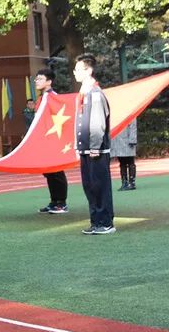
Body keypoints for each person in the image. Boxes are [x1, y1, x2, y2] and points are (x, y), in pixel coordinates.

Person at [74, 54, 115, 234]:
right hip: (86, 149)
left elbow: (97, 123)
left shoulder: (95, 94)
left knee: (100, 186)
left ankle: (105, 222)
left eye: (78, 69)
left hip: (95, 149)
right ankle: (95, 221)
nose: (74, 72)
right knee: (89, 186)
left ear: (88, 70)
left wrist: (95, 147)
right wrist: (78, 146)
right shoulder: (84, 93)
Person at [33, 69, 69, 214]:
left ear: (49, 81)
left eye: (40, 79)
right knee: (48, 171)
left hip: (53, 138)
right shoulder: (42, 98)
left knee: (56, 171)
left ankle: (62, 202)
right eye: (36, 79)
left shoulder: (53, 97)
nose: (37, 81)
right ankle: (54, 201)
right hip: (44, 140)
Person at [114, 119, 138, 191]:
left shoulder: (130, 112)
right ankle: (124, 182)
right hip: (118, 139)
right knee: (122, 163)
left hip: (128, 139)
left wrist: (132, 139)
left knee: (130, 161)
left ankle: (132, 182)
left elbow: (133, 125)